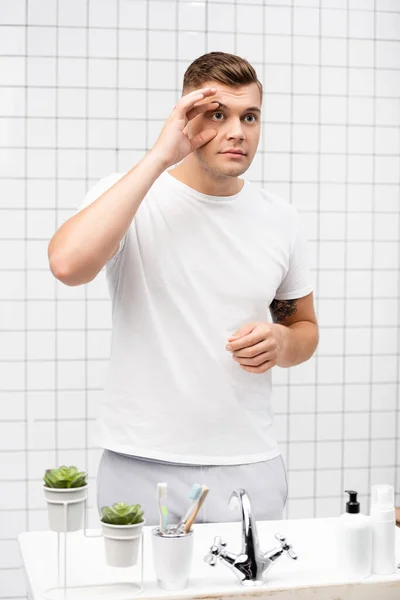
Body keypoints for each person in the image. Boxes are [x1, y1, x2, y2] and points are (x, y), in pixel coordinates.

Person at [48, 52, 319, 526]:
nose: (237, 130)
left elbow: (304, 330)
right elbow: (68, 266)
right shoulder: (130, 195)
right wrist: (159, 157)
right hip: (140, 461)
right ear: (186, 117)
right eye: (219, 114)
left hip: (249, 464)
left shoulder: (282, 219)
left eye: (249, 116)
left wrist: (281, 342)